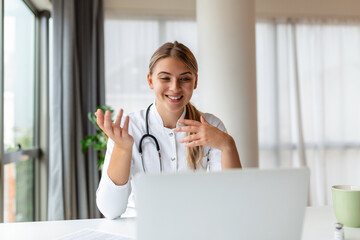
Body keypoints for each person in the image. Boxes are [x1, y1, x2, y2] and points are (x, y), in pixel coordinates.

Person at [95, 41, 241, 219]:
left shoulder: (211, 126)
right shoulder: (128, 129)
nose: (175, 87)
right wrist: (122, 149)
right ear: (150, 81)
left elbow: (232, 201)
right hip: (139, 230)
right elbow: (110, 210)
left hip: (194, 228)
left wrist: (227, 144)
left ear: (195, 82)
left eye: (185, 78)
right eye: (165, 78)